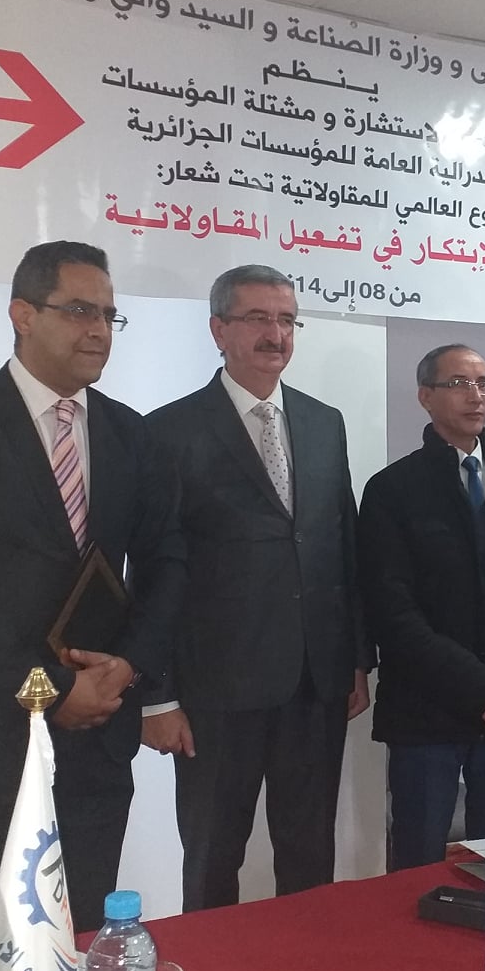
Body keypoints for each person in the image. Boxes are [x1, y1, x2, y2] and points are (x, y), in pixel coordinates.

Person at [0, 240, 183, 933]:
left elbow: (167, 562)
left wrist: (126, 668)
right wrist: (48, 689)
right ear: (23, 314)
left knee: (78, 932)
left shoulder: (131, 435)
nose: (99, 330)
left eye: (109, 315)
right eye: (80, 310)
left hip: (96, 732)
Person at [143, 265, 369, 909]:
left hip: (315, 684)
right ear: (219, 330)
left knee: (310, 855)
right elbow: (152, 569)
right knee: (213, 856)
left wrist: (356, 659)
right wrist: (156, 697)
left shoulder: (324, 422)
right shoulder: (168, 431)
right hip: (215, 692)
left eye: (287, 319)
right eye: (258, 318)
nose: (276, 333)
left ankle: (307, 965)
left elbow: (342, 546)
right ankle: (210, 969)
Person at [358, 343, 485, 869]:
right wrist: (479, 688)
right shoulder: (392, 489)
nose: (476, 396)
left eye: (484, 384)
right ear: (425, 397)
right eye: (458, 384)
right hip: (427, 709)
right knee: (418, 864)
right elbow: (392, 611)